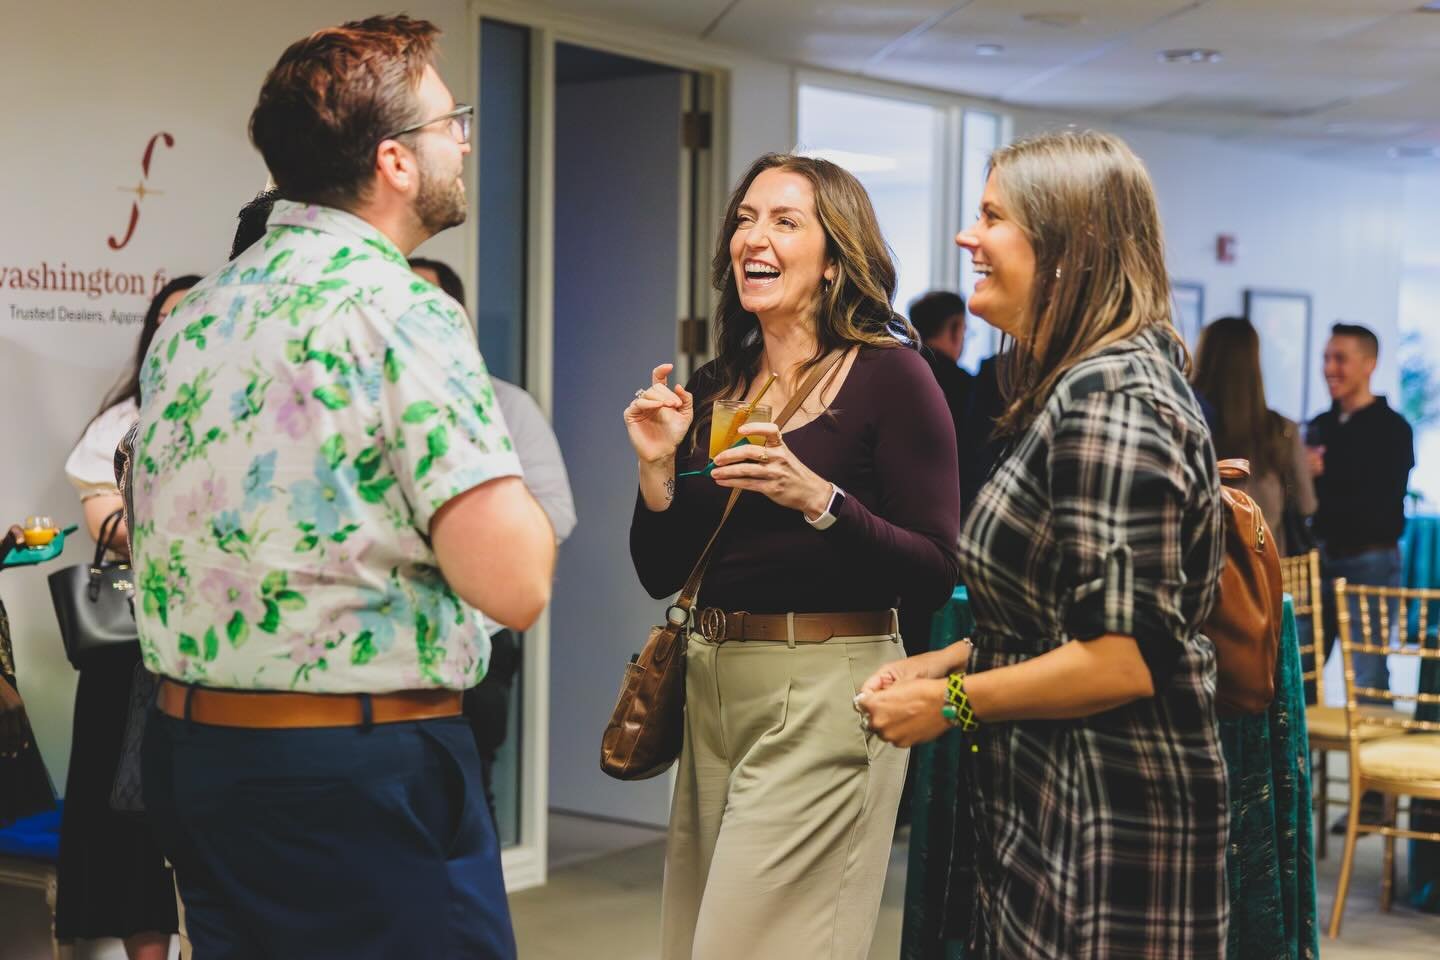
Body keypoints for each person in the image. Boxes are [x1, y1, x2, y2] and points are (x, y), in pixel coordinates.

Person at [134, 17, 555, 959]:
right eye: (455, 122)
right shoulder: (400, 309)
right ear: (395, 162)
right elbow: (514, 584)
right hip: (354, 769)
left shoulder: (198, 314)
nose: (466, 141)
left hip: (196, 755)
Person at [858, 131, 1229, 958]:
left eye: (991, 217)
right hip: (1049, 805)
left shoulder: (1117, 401)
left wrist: (950, 704)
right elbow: (1055, 616)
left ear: (1067, 247)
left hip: (1112, 827)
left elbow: (1122, 658)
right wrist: (944, 661)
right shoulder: (1070, 385)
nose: (968, 237)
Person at [627, 153, 960, 959]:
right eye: (745, 219)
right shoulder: (715, 386)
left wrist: (821, 500)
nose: (755, 237)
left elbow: (938, 565)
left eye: (784, 221)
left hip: (824, 689)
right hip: (711, 686)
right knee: (695, 942)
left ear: (837, 257)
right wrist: (654, 466)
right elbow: (659, 570)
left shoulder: (893, 378)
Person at [57, 276, 195, 959]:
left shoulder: (245, 411)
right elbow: (109, 525)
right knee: (127, 825)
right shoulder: (119, 425)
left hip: (215, 656)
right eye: (165, 320)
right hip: (129, 653)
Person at [409, 255, 577, 816]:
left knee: (465, 796)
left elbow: (556, 510)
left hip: (477, 632)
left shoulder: (505, 405)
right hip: (387, 641)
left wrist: (477, 547)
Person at [1191, 315, 1317, 555]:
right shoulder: (1283, 430)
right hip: (1267, 575)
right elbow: (1306, 504)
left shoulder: (1189, 425)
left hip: (1204, 572)